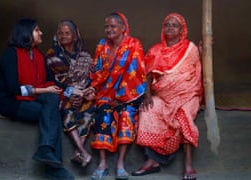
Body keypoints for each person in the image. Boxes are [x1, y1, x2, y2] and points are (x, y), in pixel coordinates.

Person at [0, 18, 74, 179]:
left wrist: (72, 91)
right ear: (26, 33)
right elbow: (13, 88)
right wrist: (42, 90)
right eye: (37, 30)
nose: (41, 33)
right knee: (52, 113)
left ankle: (45, 150)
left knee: (52, 99)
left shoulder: (37, 55)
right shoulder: (10, 54)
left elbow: (52, 80)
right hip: (11, 101)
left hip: (32, 98)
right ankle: (53, 168)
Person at [132, 13, 203, 180]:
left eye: (174, 25)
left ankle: (188, 164)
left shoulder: (190, 49)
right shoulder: (155, 50)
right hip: (163, 96)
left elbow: (199, 71)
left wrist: (202, 52)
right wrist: (148, 95)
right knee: (148, 110)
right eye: (167, 25)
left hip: (187, 95)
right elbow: (148, 76)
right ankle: (151, 161)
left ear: (181, 30)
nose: (170, 28)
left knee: (183, 115)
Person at [84, 12, 146, 180]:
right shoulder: (101, 45)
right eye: (106, 26)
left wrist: (120, 95)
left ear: (123, 28)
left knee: (126, 115)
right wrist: (92, 89)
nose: (109, 30)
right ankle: (103, 164)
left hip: (128, 96)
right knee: (103, 115)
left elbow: (138, 73)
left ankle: (120, 163)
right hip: (105, 94)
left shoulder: (134, 45)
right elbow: (96, 71)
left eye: (113, 26)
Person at [46, 19, 95, 167]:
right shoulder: (51, 54)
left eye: (67, 33)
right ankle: (82, 151)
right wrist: (72, 92)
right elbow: (53, 80)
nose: (63, 36)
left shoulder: (85, 55)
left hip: (83, 93)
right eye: (60, 33)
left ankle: (76, 152)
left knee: (90, 111)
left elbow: (92, 77)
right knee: (67, 109)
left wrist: (87, 92)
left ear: (75, 35)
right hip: (63, 93)